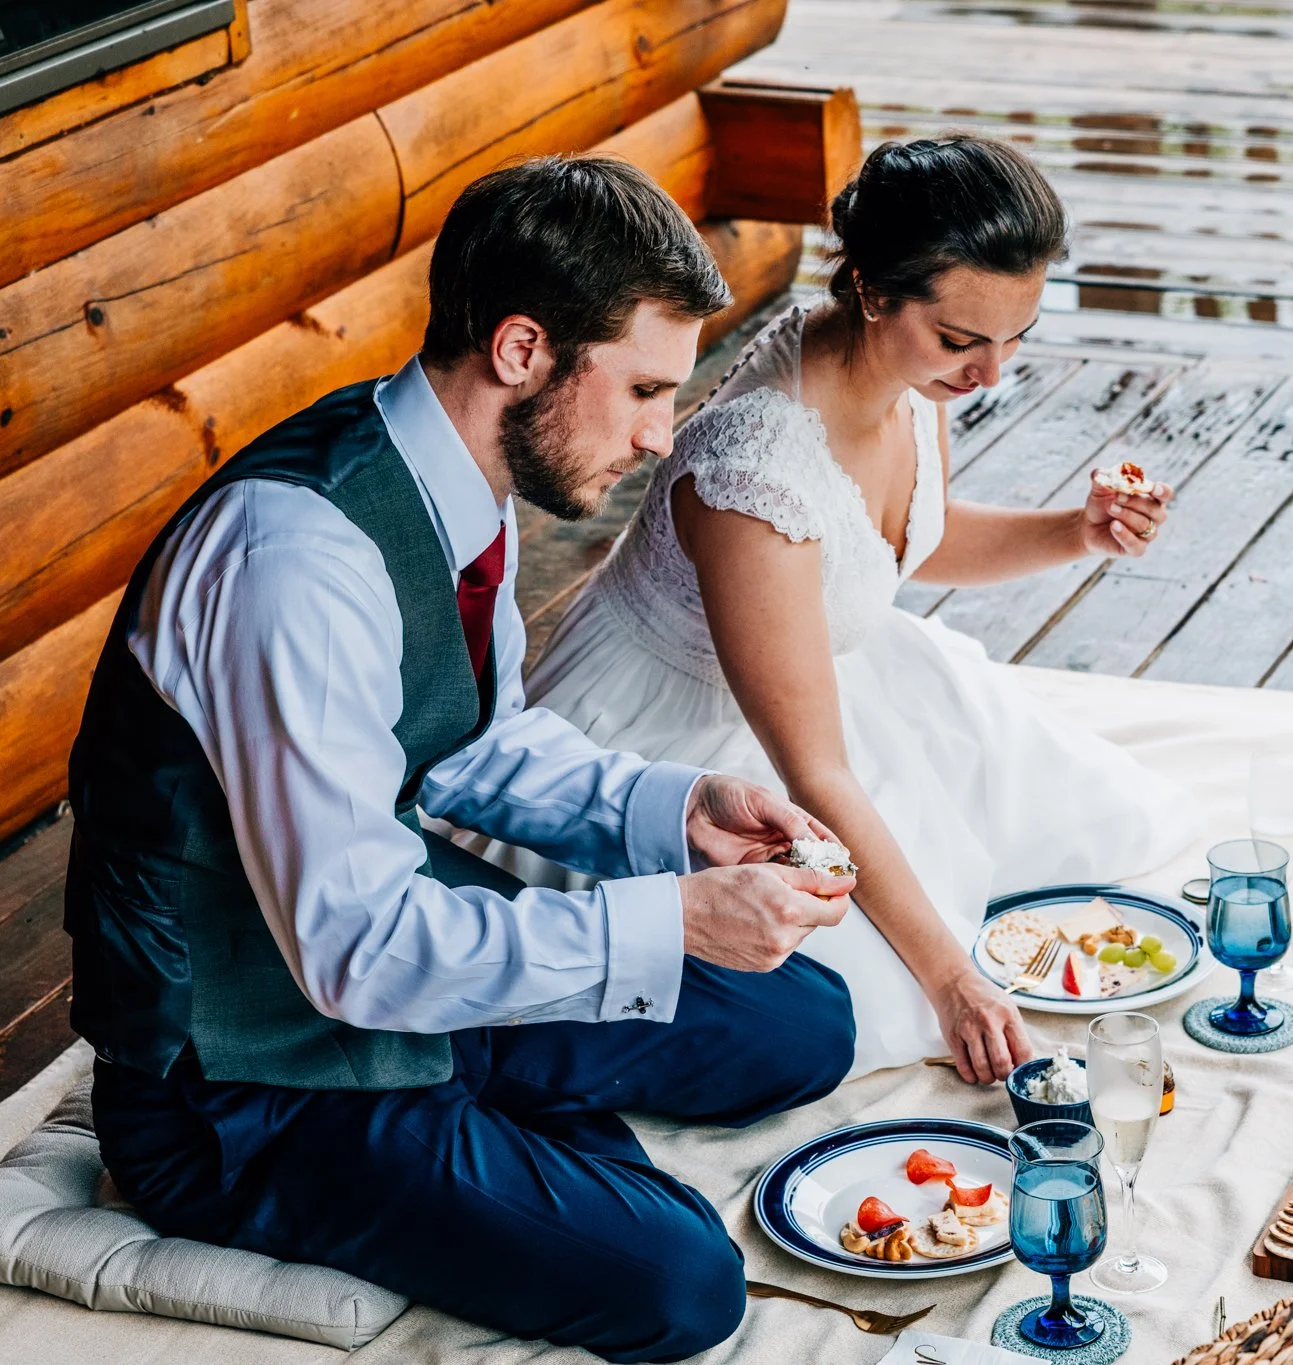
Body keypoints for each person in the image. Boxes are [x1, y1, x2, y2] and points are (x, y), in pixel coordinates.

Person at [62, 156, 858, 1363]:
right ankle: (485, 1139)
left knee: (800, 1023)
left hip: (387, 964)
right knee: (684, 1283)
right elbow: (353, 954)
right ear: (524, 351)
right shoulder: (296, 560)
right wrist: (672, 924)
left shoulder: (462, 482)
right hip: (243, 1071)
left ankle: (489, 1111)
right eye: (644, 389)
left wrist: (674, 811)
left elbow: (470, 742)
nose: (661, 439)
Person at [500, 137, 1195, 1085]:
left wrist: (1079, 531)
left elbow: (905, 540)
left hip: (823, 673)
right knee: (890, 1000)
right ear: (871, 290)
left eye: (1015, 336)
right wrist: (951, 975)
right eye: (961, 340)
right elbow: (816, 771)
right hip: (689, 741)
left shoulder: (911, 373)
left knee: (1098, 815)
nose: (991, 373)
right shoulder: (755, 478)